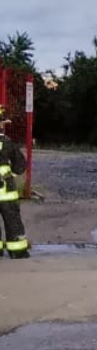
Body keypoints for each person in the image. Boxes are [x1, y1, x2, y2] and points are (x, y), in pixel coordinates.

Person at [0, 107, 29, 258]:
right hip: (6, 191)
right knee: (12, 221)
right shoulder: (7, 143)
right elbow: (20, 165)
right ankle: (17, 251)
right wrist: (11, 173)